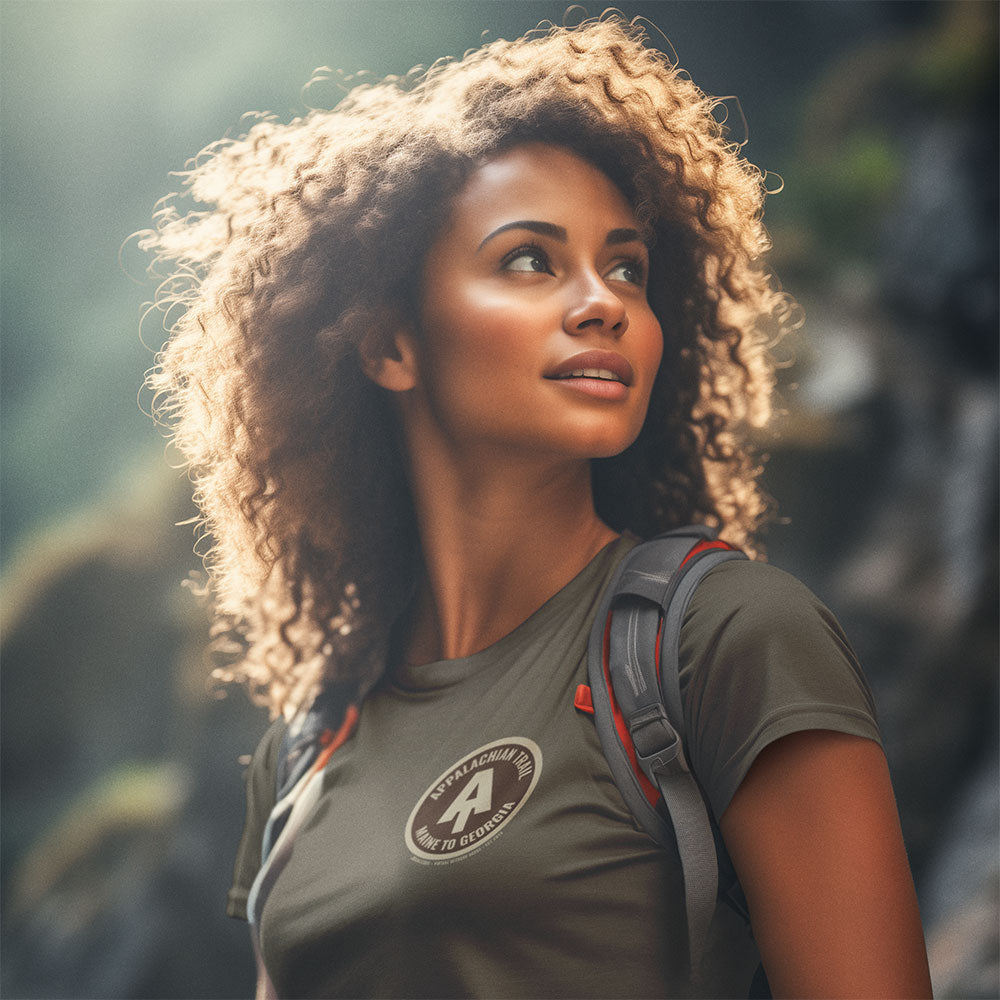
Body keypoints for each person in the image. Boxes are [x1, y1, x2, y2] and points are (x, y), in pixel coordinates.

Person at [143, 14, 932, 999]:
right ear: (389, 345)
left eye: (628, 268)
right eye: (530, 260)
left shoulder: (720, 640)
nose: (602, 301)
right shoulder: (311, 741)